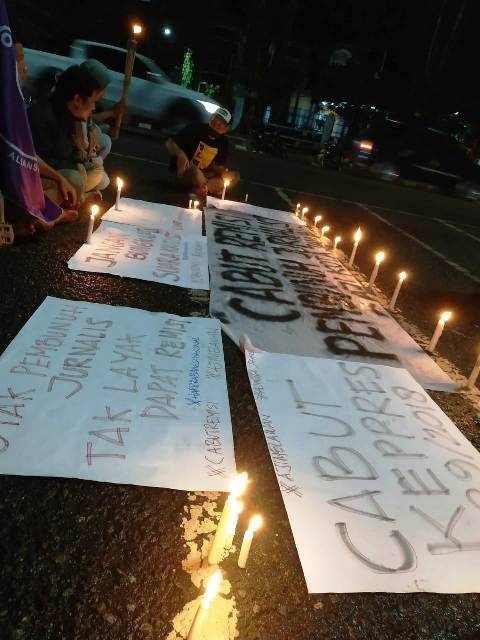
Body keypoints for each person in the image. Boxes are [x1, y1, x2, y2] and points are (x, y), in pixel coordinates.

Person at [28, 64, 110, 208]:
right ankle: (77, 198)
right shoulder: (43, 115)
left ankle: (78, 195)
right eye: (92, 102)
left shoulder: (73, 116)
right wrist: (76, 168)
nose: (93, 107)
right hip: (39, 175)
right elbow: (39, 160)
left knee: (98, 174)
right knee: (75, 179)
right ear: (77, 100)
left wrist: (87, 146)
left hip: (65, 168)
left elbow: (73, 153)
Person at [165, 107, 239, 199]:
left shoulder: (223, 142)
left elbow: (218, 166)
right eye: (215, 118)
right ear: (211, 118)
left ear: (226, 129)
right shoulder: (195, 129)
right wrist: (180, 153)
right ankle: (203, 189)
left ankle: (203, 189)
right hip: (187, 171)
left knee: (234, 176)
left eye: (221, 123)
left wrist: (223, 173)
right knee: (195, 171)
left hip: (205, 175)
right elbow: (170, 142)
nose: (217, 123)